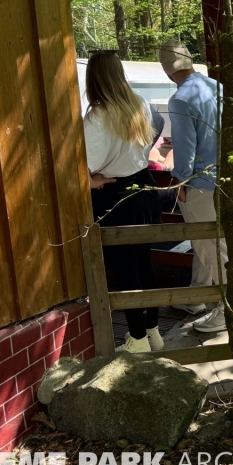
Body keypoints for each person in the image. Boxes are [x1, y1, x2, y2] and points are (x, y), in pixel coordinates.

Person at [83, 51, 164, 353]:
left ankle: (138, 339)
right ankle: (152, 331)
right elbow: (152, 136)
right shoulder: (139, 103)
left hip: (115, 194)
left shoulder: (97, 117)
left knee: (125, 268)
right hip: (144, 185)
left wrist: (93, 181)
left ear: (94, 77)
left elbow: (87, 165)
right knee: (144, 262)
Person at [158, 39, 226, 334]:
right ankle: (196, 297)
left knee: (210, 246)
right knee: (208, 243)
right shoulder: (216, 87)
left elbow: (185, 153)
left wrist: (180, 179)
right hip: (225, 176)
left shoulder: (181, 99)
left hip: (200, 184)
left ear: (166, 71)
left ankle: (228, 309)